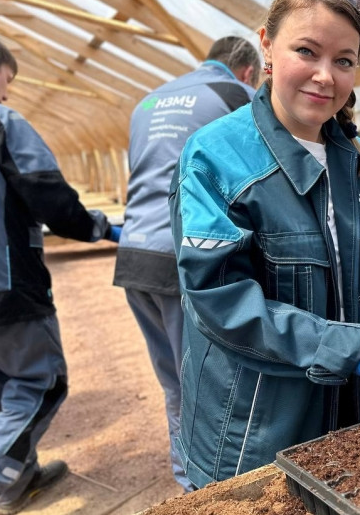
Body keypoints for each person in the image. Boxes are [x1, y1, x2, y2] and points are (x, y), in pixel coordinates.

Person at [169, 0, 360, 488]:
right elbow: (221, 302)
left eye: (344, 60)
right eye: (306, 51)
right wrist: (356, 349)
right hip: (253, 436)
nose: (325, 76)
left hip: (345, 425)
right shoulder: (216, 158)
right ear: (267, 47)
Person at [112, 36, 260, 492]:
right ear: (249, 73)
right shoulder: (233, 96)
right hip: (182, 254)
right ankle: (208, 487)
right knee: (204, 379)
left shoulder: (148, 102)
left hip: (135, 254)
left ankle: (187, 482)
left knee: (173, 381)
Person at [0, 35, 120, 515]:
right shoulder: (0, 122)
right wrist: (101, 228)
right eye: (8, 81)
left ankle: (15, 484)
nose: (7, 93)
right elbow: (51, 197)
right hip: (5, 285)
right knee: (41, 380)